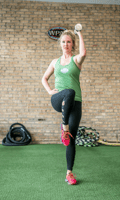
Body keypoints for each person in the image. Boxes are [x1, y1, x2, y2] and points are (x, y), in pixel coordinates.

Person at [41, 28, 86, 185]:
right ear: (60, 44)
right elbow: (44, 78)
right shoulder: (55, 62)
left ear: (72, 44)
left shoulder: (76, 61)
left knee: (71, 138)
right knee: (68, 92)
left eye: (68, 42)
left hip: (75, 102)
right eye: (63, 42)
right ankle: (64, 126)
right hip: (58, 99)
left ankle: (69, 173)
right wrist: (49, 91)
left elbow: (84, 54)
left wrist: (79, 33)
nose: (65, 44)